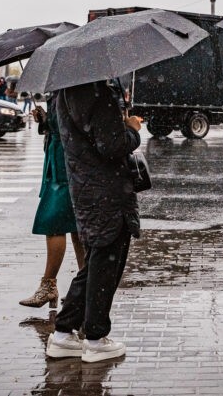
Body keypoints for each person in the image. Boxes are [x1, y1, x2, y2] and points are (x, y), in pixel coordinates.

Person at [45, 79, 143, 363]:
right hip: (106, 191)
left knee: (97, 264)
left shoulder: (68, 90)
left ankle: (64, 332)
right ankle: (95, 339)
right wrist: (131, 129)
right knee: (105, 266)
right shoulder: (95, 92)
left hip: (87, 186)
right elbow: (112, 145)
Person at [20, 94, 85, 310]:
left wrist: (50, 120)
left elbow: (70, 122)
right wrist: (45, 120)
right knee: (76, 225)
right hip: (62, 158)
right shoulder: (64, 87)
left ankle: (50, 285)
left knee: (54, 222)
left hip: (65, 161)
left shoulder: (68, 88)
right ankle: (85, 286)